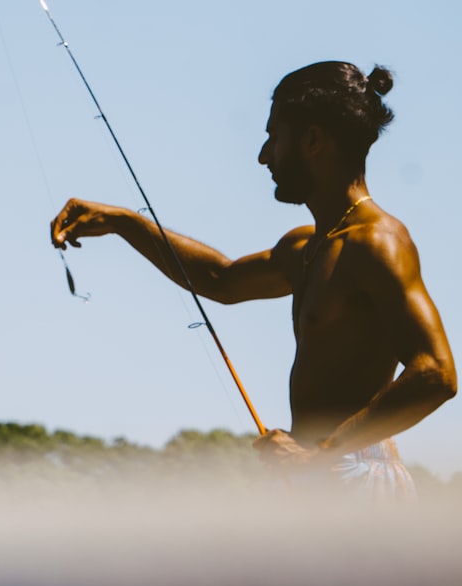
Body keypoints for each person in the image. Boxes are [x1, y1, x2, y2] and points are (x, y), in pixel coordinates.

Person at [49, 61, 456, 500]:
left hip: (352, 472)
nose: (264, 155)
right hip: (317, 470)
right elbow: (219, 279)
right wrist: (123, 222)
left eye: (274, 137)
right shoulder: (308, 247)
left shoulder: (378, 242)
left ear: (313, 141)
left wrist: (321, 452)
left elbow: (436, 373)